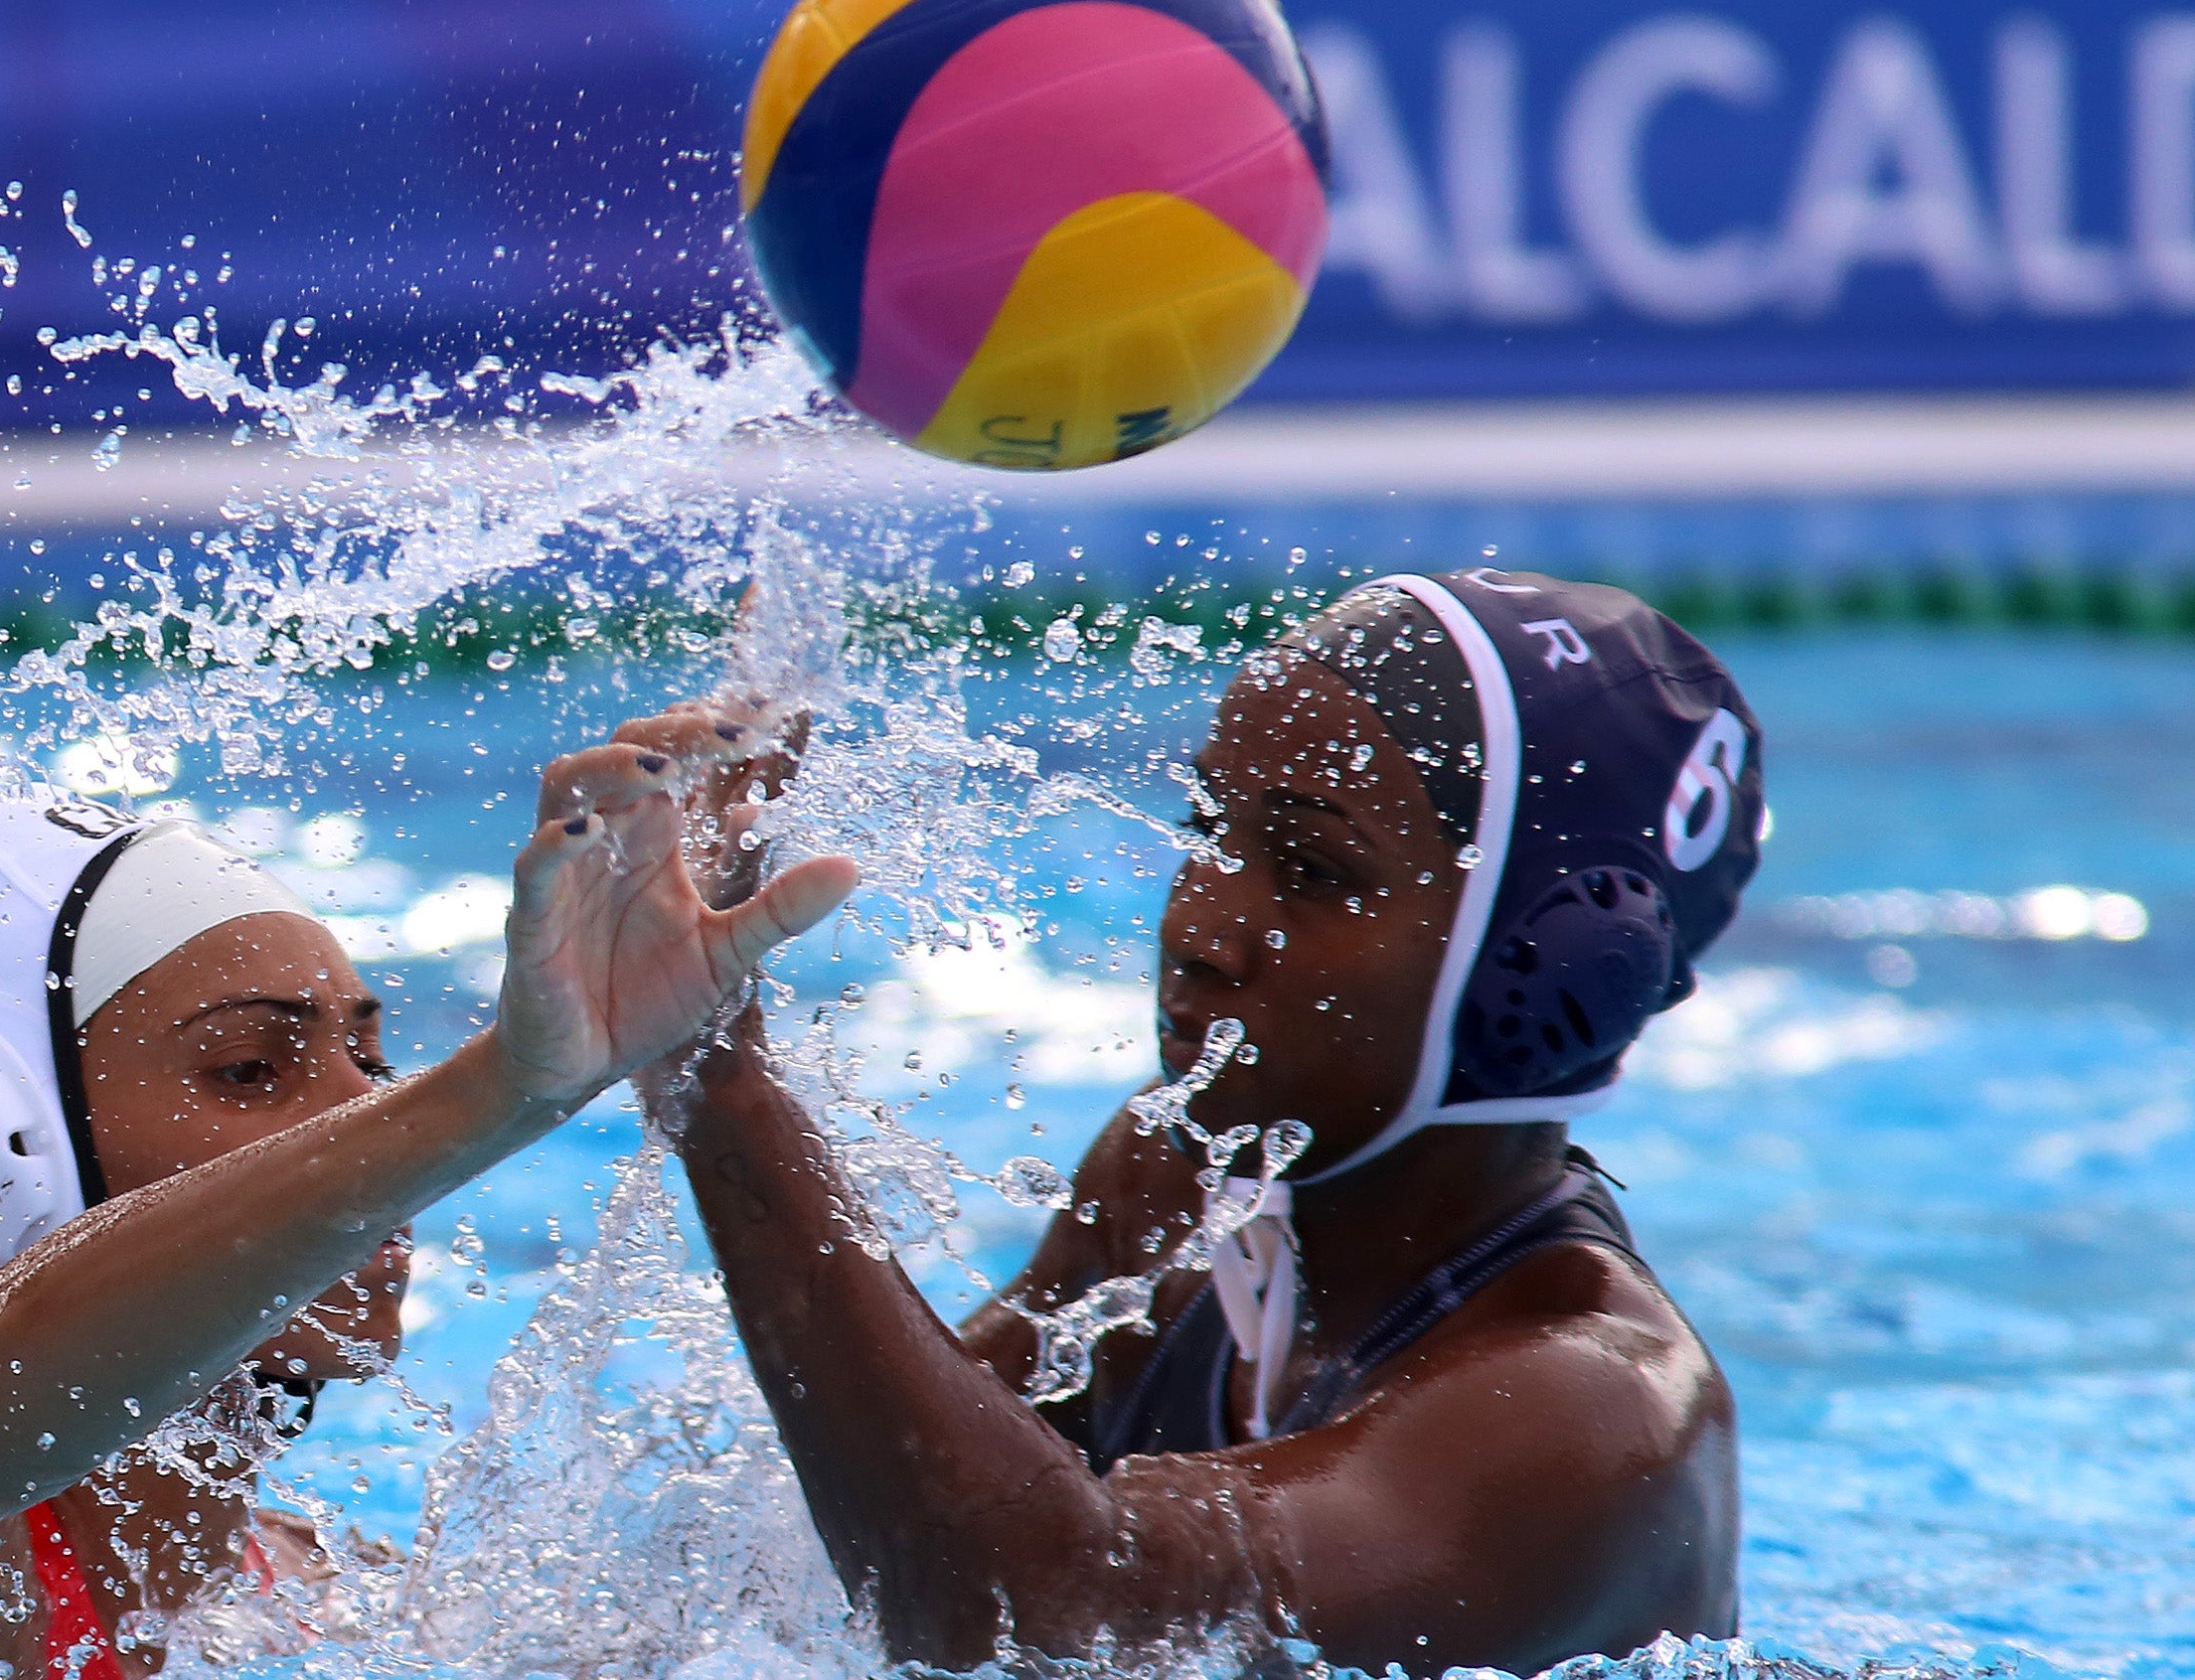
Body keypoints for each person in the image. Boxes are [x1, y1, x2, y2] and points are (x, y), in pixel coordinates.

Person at [641, 568, 1764, 1674]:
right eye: (1211, 827)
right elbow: (831, 1529)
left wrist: (720, 1073)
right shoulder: (1180, 1187)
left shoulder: (1587, 1418)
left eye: (1313, 869)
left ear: (1546, 968)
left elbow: (1027, 1614)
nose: (1202, 926)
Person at [0, 744, 858, 1680]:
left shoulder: (316, 1603)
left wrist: (710, 1058)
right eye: (249, 1067)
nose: (360, 1112)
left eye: (367, 1054)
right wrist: (501, 1089)